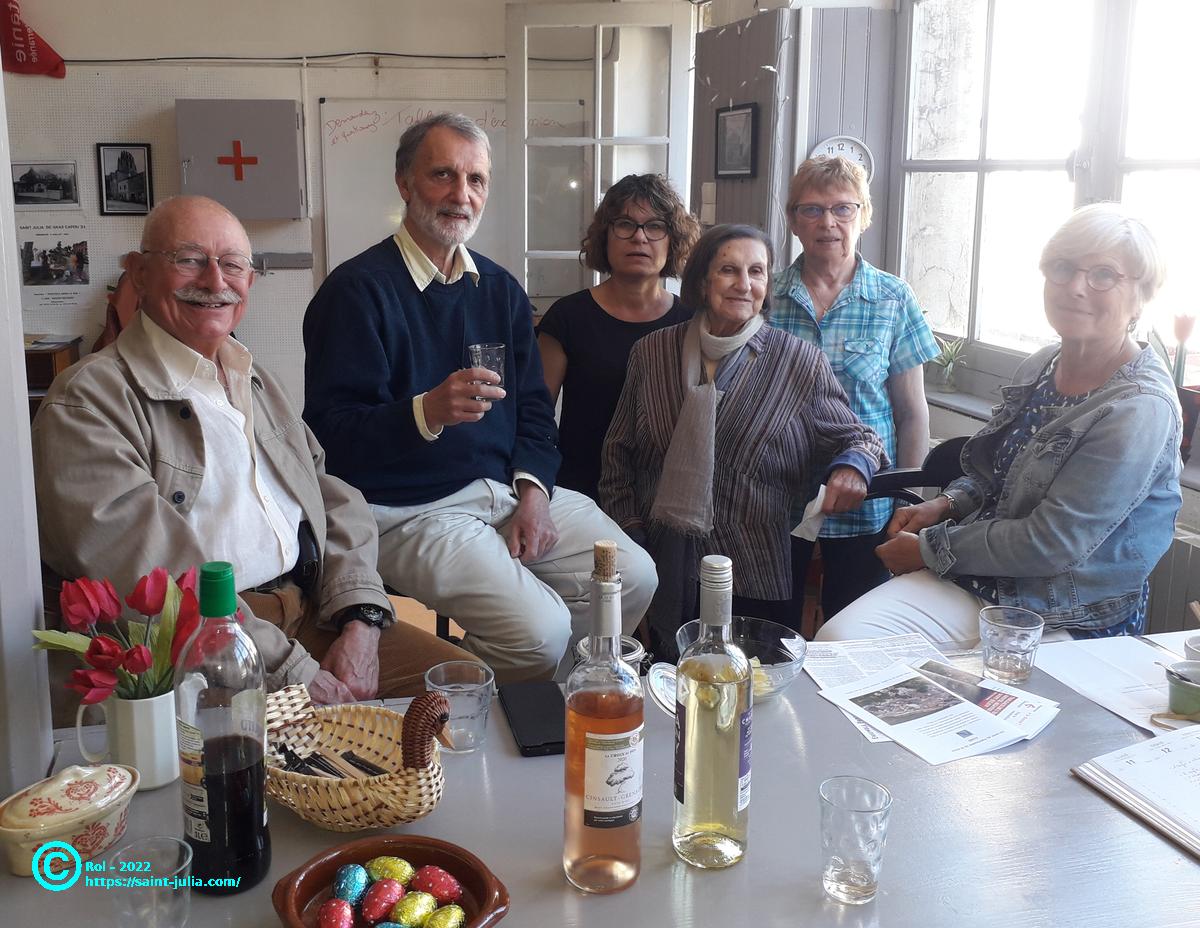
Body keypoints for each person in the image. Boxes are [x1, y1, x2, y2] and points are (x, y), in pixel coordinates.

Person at [33, 195, 474, 710]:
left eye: (233, 264)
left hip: (308, 611)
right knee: (311, 772)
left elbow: (330, 496)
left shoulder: (251, 375)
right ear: (138, 273)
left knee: (464, 694)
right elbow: (154, 578)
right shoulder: (87, 401)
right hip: (197, 647)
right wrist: (291, 669)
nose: (216, 282)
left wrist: (361, 619)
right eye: (190, 259)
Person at [302, 112, 657, 684]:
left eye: (476, 180)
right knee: (538, 631)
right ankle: (454, 715)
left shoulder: (498, 289)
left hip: (502, 491)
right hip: (411, 508)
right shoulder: (356, 293)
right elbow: (330, 440)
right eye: (442, 175)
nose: (460, 195)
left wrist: (534, 492)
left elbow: (537, 412)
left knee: (633, 575)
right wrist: (426, 412)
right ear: (404, 184)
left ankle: (552, 704)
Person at [818, 203, 1182, 645]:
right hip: (981, 578)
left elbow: (1052, 542)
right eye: (1062, 268)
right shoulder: (1042, 365)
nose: (1075, 287)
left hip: (1068, 609)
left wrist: (929, 550)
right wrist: (947, 505)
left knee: (975, 699)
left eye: (1103, 274)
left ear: (1141, 295)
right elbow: (1000, 476)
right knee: (840, 641)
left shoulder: (1140, 408)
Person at [600, 223, 886, 658]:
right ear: (702, 280)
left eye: (757, 272)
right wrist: (635, 537)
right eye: (729, 270)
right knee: (672, 687)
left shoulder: (797, 361)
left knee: (754, 695)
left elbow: (859, 436)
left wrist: (851, 467)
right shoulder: (652, 352)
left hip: (757, 569)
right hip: (664, 564)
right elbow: (618, 457)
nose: (744, 284)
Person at [773, 156, 939, 623]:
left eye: (843, 209)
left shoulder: (892, 297)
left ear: (863, 216)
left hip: (869, 500)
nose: (828, 222)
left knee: (856, 630)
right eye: (811, 210)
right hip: (778, 499)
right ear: (793, 221)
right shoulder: (767, 295)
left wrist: (907, 499)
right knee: (772, 634)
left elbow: (911, 412)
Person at [537, 174, 700, 501]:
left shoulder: (692, 322)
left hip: (666, 496)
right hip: (581, 495)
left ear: (673, 240)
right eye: (625, 224)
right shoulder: (568, 317)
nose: (639, 237)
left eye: (655, 226)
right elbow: (535, 418)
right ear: (605, 237)